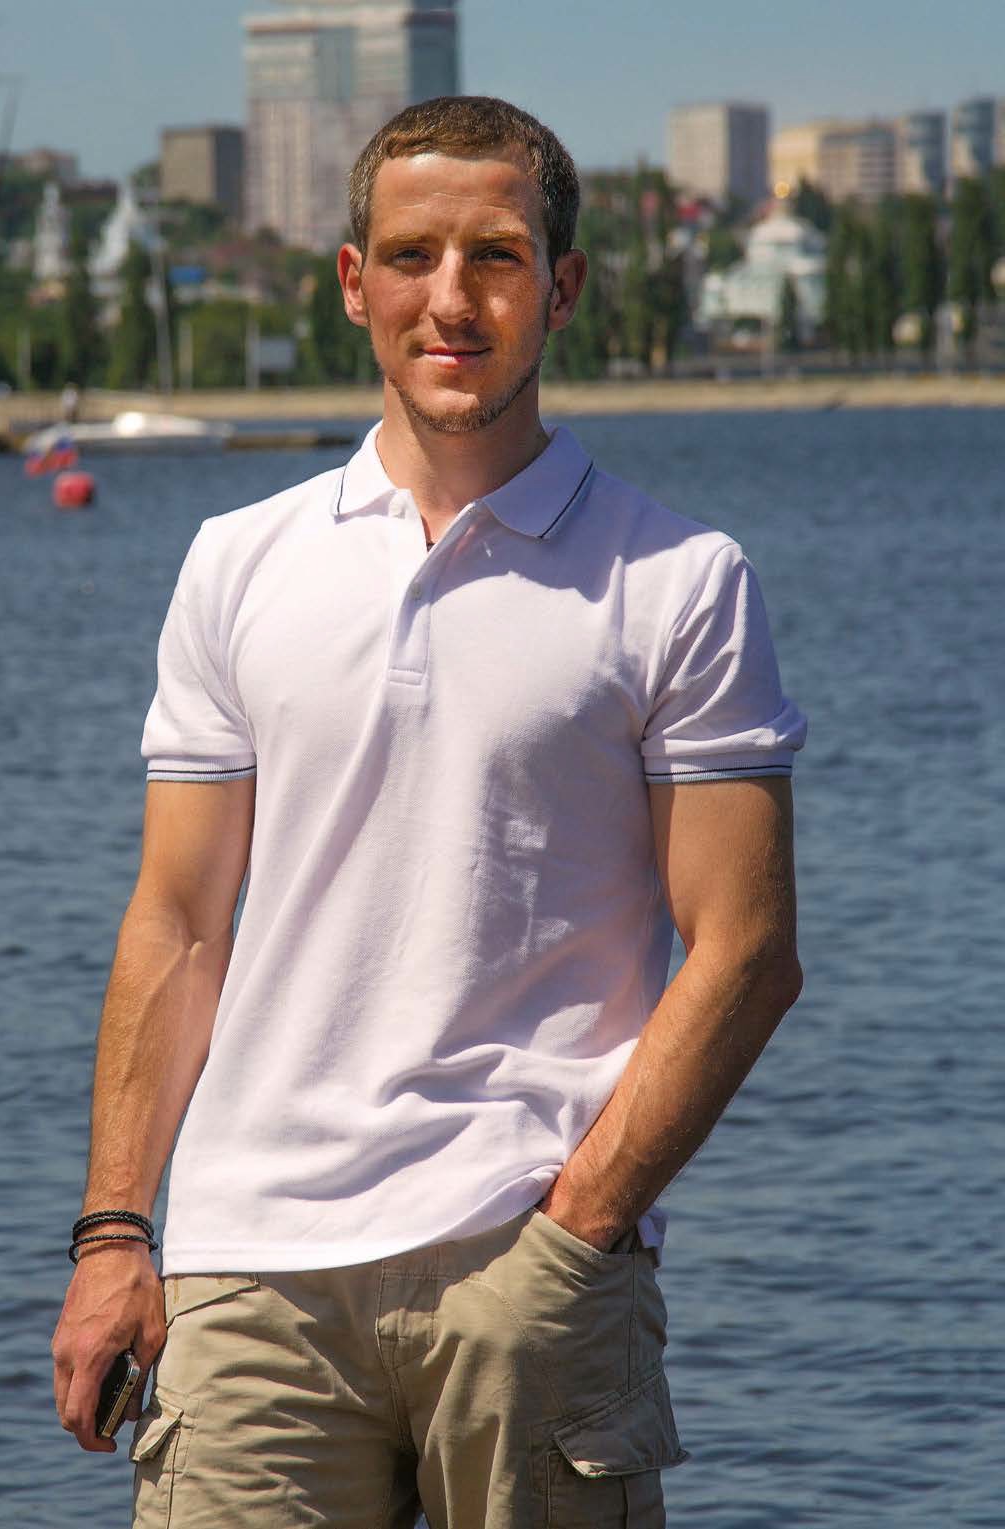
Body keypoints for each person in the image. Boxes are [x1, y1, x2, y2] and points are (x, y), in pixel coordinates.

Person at [52, 96, 806, 1528]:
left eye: (497, 256)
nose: (451, 299)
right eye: (412, 256)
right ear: (355, 283)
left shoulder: (678, 580)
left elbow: (748, 950)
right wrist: (111, 1234)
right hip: (248, 1274)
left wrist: (579, 1230)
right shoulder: (237, 563)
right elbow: (179, 920)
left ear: (563, 287)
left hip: (525, 1264)